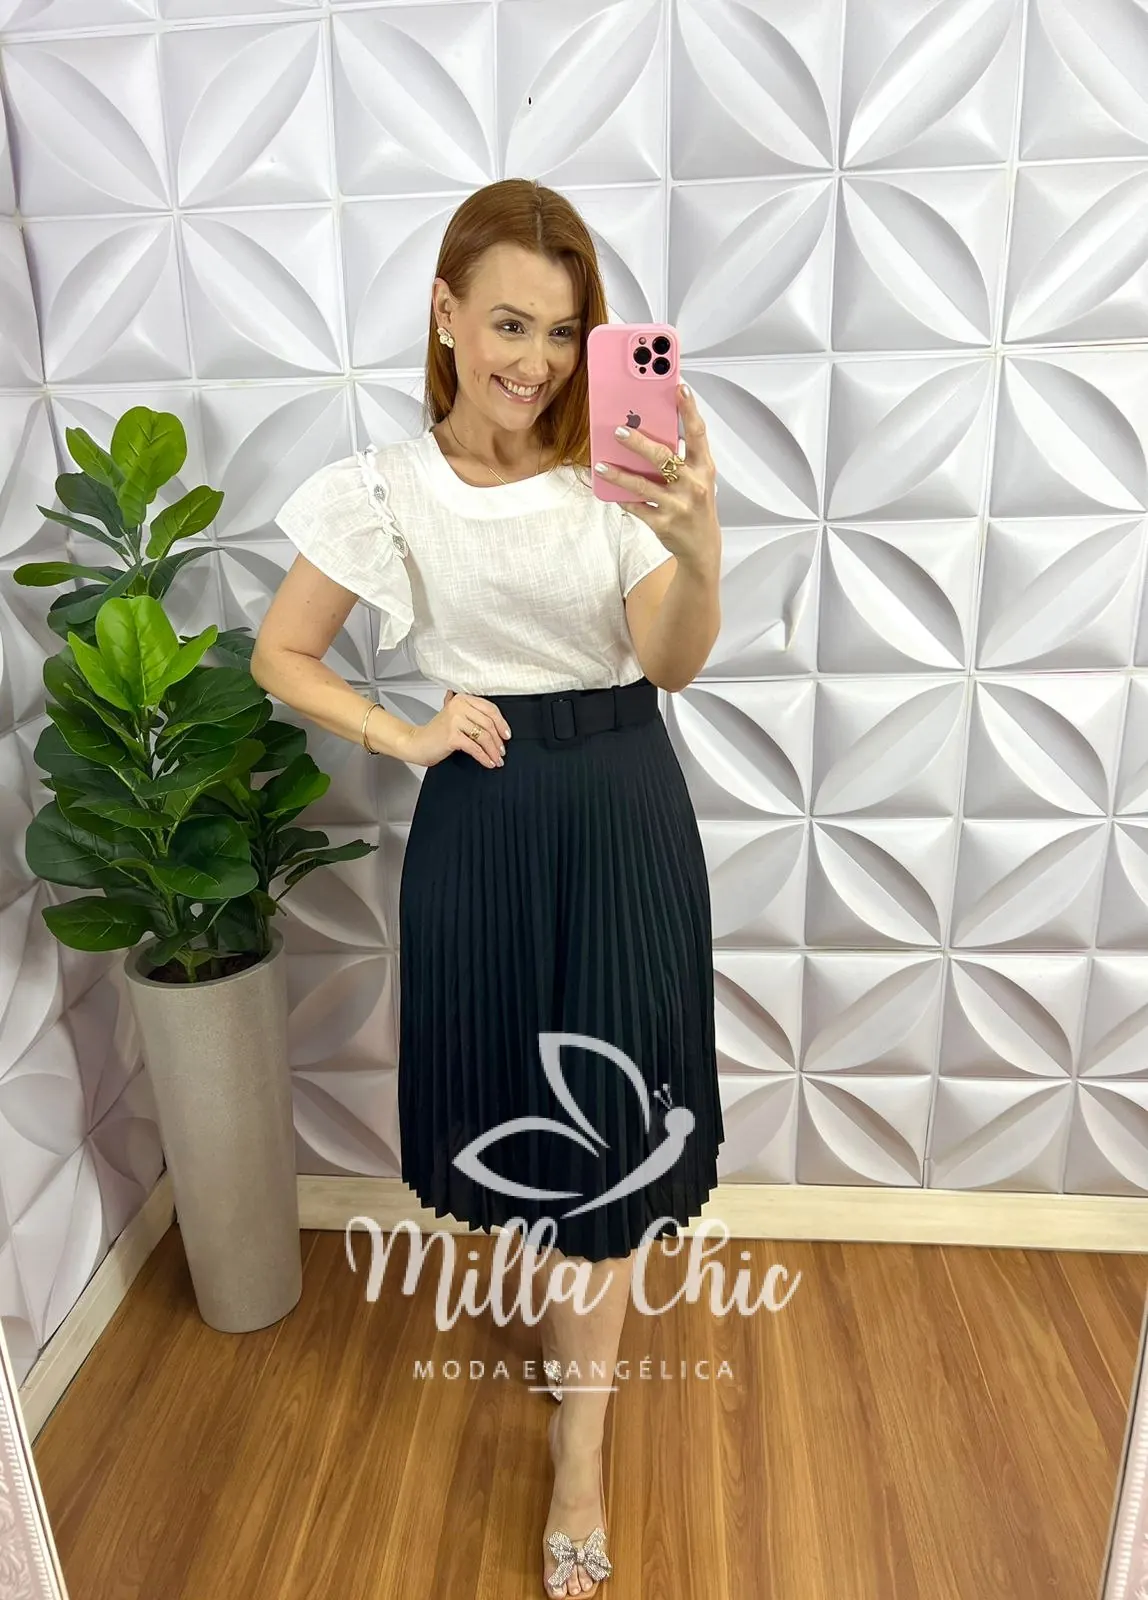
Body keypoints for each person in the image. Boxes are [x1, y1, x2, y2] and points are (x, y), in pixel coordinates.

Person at [252, 177, 725, 1597]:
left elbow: (671, 662)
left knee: (613, 1138)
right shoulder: (384, 491)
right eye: (510, 323)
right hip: (484, 817)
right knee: (526, 1123)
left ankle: (582, 1451)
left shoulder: (614, 475)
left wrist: (699, 545)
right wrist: (403, 733)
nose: (537, 361)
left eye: (566, 333)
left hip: (623, 809)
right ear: (447, 314)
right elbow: (282, 654)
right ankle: (566, 1324)